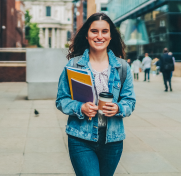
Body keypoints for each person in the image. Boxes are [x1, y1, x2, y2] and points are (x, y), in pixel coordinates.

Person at [56, 12, 136, 176]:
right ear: (87, 35)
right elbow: (61, 100)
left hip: (113, 140)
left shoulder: (122, 67)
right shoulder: (74, 65)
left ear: (111, 35)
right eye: (94, 31)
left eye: (104, 31)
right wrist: (80, 107)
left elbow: (130, 102)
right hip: (80, 138)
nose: (99, 36)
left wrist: (118, 108)